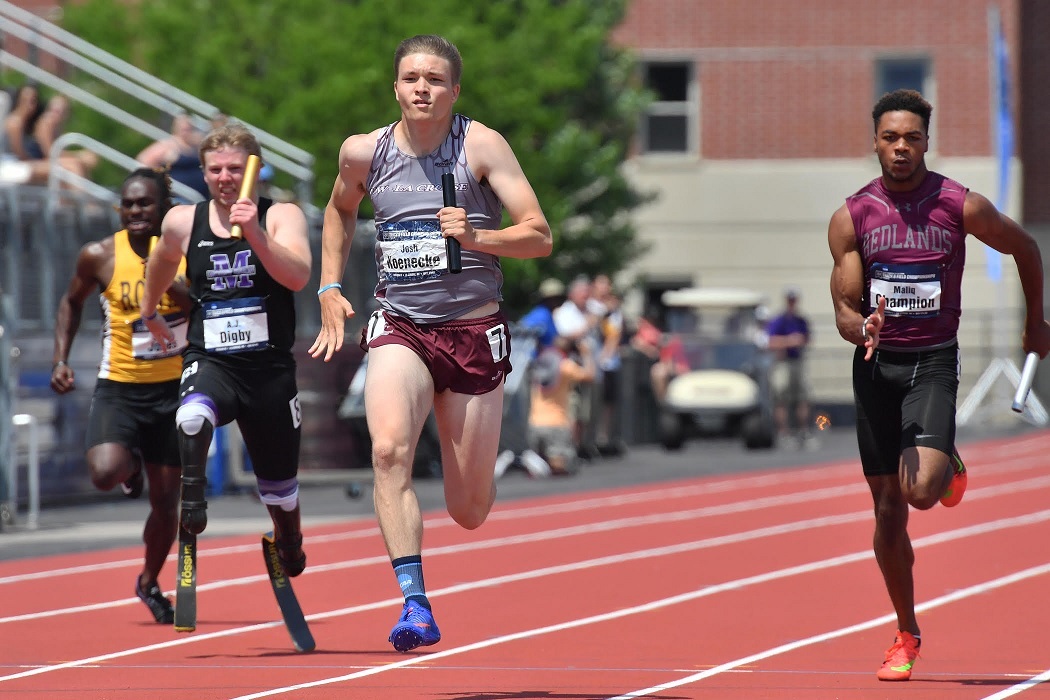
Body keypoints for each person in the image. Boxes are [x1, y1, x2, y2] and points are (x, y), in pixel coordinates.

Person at [309, 34, 552, 652]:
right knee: (388, 450)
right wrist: (329, 285)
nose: (423, 87)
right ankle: (414, 602)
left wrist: (478, 237)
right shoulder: (365, 152)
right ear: (395, 86)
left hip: (473, 329)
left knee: (468, 508)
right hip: (401, 323)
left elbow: (539, 236)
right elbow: (339, 211)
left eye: (436, 79)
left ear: (454, 90)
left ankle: (483, 461)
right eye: (412, 77)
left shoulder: (481, 146)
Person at [828, 88, 1050, 682]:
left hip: (931, 360)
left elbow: (1026, 247)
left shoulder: (959, 206)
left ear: (927, 142)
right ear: (875, 141)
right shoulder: (852, 216)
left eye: (912, 139)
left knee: (922, 491)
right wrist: (859, 326)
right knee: (886, 510)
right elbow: (844, 307)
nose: (901, 149)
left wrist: (1036, 324)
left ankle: (943, 456)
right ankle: (906, 630)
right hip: (876, 367)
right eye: (890, 138)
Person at [140, 123, 313, 581]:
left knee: (279, 490)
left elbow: (297, 277)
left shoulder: (281, 215)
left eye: (234, 168)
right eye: (214, 169)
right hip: (212, 358)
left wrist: (254, 230)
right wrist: (149, 309)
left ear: (253, 170)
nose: (224, 178)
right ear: (202, 172)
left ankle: (289, 539)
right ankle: (193, 500)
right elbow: (160, 261)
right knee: (191, 416)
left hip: (269, 368)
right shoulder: (182, 220)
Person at [49, 168, 188, 624]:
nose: (135, 212)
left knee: (167, 505)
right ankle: (131, 468)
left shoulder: (184, 251)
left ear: (162, 207)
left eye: (145, 204)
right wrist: (61, 359)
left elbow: (203, 303)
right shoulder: (100, 255)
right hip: (120, 387)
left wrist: (169, 281)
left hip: (173, 389)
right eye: (128, 204)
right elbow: (72, 302)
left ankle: (149, 579)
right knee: (106, 472)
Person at [525, 335, 595, 475]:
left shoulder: (540, 363)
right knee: (560, 468)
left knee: (539, 467)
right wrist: (587, 354)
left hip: (534, 422)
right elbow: (590, 375)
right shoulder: (566, 366)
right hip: (556, 423)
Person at [766, 287, 815, 448]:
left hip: (798, 361)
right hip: (783, 361)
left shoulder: (801, 321)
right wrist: (790, 341)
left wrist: (798, 341)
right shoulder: (779, 320)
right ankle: (783, 432)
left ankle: (803, 431)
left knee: (803, 397)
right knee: (781, 397)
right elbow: (771, 342)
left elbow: (807, 339)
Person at [136, 113, 208, 201]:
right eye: (183, 127)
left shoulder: (196, 144)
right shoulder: (168, 145)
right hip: (178, 197)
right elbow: (143, 160)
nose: (186, 130)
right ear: (175, 127)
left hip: (200, 197)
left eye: (189, 127)